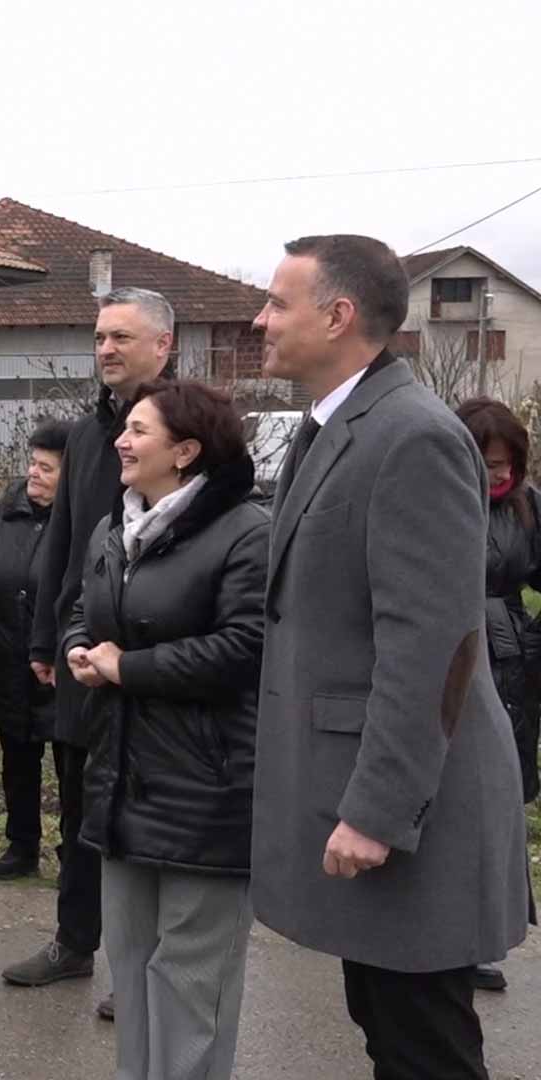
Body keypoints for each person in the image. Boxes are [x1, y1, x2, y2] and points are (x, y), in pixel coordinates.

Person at [252, 235, 528, 1078]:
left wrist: (377, 811)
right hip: (360, 788)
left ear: (338, 316)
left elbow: (432, 647)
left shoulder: (413, 437)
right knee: (389, 1031)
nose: (260, 320)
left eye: (278, 303)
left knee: (425, 1049)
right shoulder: (339, 425)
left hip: (412, 809)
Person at [62, 381, 268, 1080]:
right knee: (130, 969)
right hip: (122, 779)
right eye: (124, 429)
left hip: (207, 791)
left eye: (139, 431)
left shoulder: (247, 532)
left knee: (191, 981)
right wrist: (80, 649)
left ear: (185, 451)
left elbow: (247, 648)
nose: (121, 441)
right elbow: (86, 609)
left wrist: (129, 668)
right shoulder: (116, 525)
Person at [9, 287, 177, 1018]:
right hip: (82, 649)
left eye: (121, 337)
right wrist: (45, 638)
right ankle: (74, 942)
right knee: (80, 804)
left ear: (163, 346)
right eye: (101, 337)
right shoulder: (84, 435)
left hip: (156, 654)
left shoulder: (192, 426)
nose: (106, 349)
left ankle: (148, 970)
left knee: (154, 809)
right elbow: (64, 540)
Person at [455, 396, 541, 994]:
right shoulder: (436, 498)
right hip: (452, 658)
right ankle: (446, 938)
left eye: (508, 461)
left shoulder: (526, 507)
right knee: (454, 801)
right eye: (488, 463)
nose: (501, 473)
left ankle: (481, 938)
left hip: (510, 665)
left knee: (500, 803)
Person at [0, 419, 70, 880]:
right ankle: (21, 845)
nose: (34, 473)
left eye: (47, 468)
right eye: (33, 463)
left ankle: (75, 852)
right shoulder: (7, 510)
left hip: (62, 664)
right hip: (9, 658)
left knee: (72, 766)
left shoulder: (83, 517)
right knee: (16, 759)